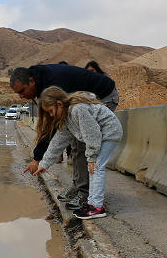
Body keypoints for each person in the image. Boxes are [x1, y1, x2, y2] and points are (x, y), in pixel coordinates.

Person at [9, 63, 119, 209]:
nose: (21, 96)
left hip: (105, 95)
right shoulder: (46, 90)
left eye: (22, 91)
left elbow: (54, 128)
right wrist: (40, 161)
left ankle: (85, 194)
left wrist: (39, 159)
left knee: (81, 143)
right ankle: (78, 187)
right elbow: (58, 136)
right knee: (74, 140)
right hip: (83, 104)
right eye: (18, 94)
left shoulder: (54, 85)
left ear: (31, 81)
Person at [30, 86, 123, 219]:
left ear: (59, 104)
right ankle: (92, 203)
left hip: (109, 132)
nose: (51, 115)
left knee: (96, 166)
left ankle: (97, 207)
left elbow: (92, 134)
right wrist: (44, 164)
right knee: (93, 167)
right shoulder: (66, 118)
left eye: (51, 111)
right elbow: (57, 143)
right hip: (102, 134)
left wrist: (91, 157)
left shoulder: (78, 110)